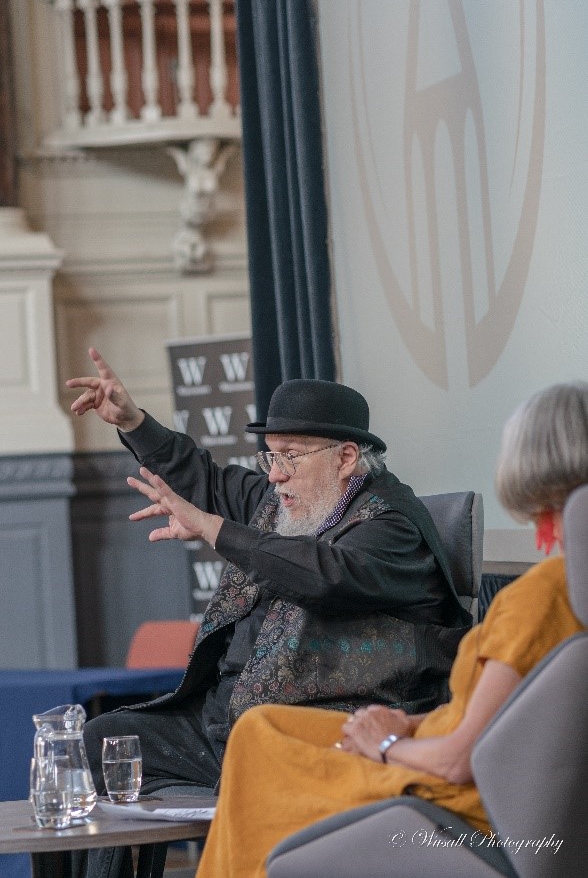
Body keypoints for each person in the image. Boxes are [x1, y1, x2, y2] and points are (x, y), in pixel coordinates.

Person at [66, 347, 470, 876]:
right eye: (270, 457)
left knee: (250, 745)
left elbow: (325, 573)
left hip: (318, 730)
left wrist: (212, 529)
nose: (275, 476)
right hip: (223, 721)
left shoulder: (393, 526)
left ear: (346, 458)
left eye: (290, 457)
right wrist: (135, 422)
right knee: (102, 743)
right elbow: (205, 480)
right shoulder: (287, 500)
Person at [193, 380, 588, 878]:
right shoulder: (567, 593)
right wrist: (409, 725)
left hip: (446, 796)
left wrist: (386, 746)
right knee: (263, 726)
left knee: (258, 748)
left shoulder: (541, 596)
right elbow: (503, 727)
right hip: (438, 749)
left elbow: (460, 761)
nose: (277, 476)